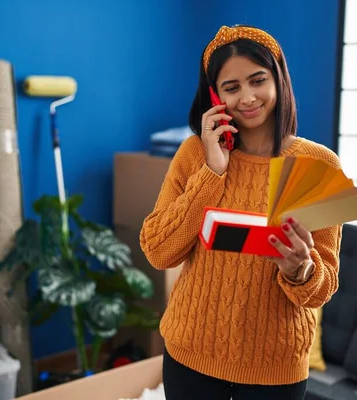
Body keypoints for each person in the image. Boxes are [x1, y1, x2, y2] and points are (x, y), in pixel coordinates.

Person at [139, 24, 342, 400]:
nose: (247, 97)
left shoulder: (318, 166)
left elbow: (325, 285)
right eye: (232, 87)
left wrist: (300, 270)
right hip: (189, 356)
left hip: (276, 368)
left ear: (278, 80)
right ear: (215, 95)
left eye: (257, 80)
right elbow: (158, 251)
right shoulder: (195, 154)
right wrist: (212, 171)